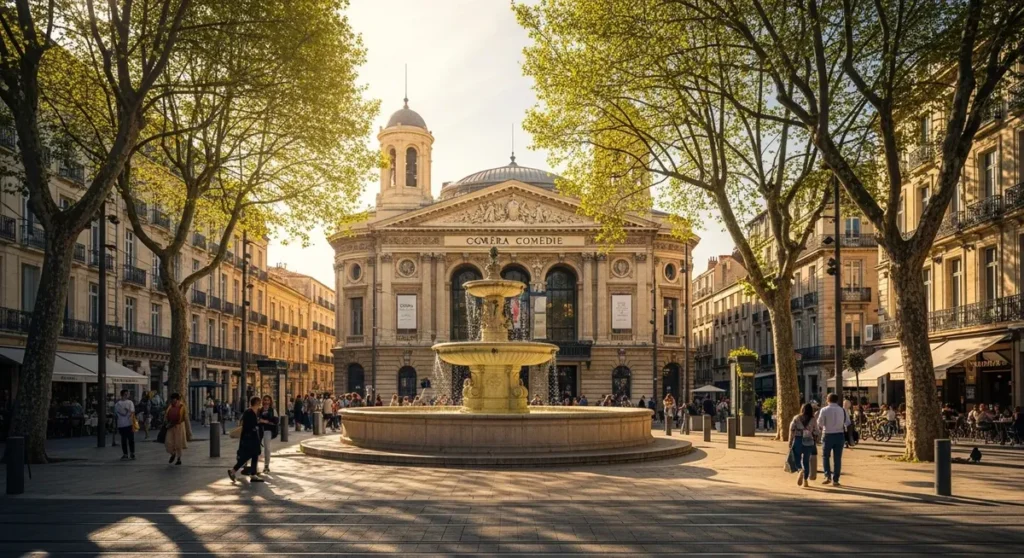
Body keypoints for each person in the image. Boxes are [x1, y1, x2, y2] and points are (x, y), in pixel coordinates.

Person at [228, 396, 265, 484]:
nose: (260, 404)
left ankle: (252, 474)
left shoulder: (253, 412)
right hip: (249, 438)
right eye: (259, 402)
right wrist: (258, 423)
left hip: (252, 438)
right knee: (248, 455)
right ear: (256, 403)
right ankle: (234, 471)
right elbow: (249, 426)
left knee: (253, 455)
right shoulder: (249, 412)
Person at [817, 392, 851, 487]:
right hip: (839, 435)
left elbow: (820, 423)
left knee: (825, 456)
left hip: (827, 434)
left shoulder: (824, 410)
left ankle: (827, 476)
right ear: (837, 400)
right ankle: (835, 479)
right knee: (837, 458)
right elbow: (847, 422)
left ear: (828, 400)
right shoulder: (842, 410)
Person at [789, 403, 820, 487]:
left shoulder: (796, 418)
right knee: (806, 461)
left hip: (798, 439)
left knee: (796, 459)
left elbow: (792, 429)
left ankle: (800, 470)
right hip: (809, 441)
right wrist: (815, 439)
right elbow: (816, 431)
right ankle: (805, 481)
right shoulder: (813, 419)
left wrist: (790, 441)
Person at [163, 393, 188, 465]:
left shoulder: (182, 406)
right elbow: (166, 415)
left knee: (178, 443)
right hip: (170, 426)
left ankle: (179, 458)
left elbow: (184, 417)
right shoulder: (170, 406)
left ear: (177, 399)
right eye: (172, 399)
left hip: (179, 426)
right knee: (168, 441)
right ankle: (172, 453)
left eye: (173, 399)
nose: (172, 401)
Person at [258, 395, 279, 474]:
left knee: (267, 447)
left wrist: (266, 421)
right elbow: (257, 419)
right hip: (260, 430)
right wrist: (262, 421)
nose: (266, 402)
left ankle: (266, 465)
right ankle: (255, 466)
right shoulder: (260, 410)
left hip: (268, 430)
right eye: (265, 400)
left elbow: (276, 421)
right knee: (257, 448)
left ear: (270, 401)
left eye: (268, 400)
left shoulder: (272, 410)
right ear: (262, 401)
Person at [114, 389, 136, 461]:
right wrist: (127, 411)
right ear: (124, 394)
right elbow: (132, 412)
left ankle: (127, 454)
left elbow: (117, 414)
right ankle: (130, 453)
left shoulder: (117, 404)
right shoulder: (129, 403)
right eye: (127, 394)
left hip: (123, 424)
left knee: (126, 439)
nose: (127, 395)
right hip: (127, 423)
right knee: (129, 439)